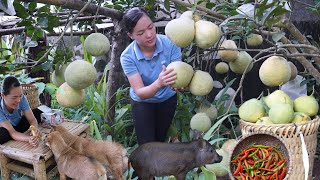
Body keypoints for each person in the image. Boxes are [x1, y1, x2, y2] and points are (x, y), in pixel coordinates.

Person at [121, 7, 182, 145]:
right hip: (142, 103)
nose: (149, 34)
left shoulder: (171, 43)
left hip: (167, 99)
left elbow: (179, 75)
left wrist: (180, 85)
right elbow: (140, 92)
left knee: (160, 140)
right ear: (131, 36)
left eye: (150, 27)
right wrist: (159, 83)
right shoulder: (127, 57)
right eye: (141, 32)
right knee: (147, 145)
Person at [0, 76, 42, 146]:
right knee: (2, 134)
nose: (18, 100)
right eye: (14, 97)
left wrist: (34, 129)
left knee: (38, 112)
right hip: (8, 130)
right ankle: (17, 137)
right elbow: (12, 132)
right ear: (3, 95)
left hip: (18, 124)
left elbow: (32, 119)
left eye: (20, 96)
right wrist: (28, 139)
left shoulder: (22, 98)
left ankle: (18, 136)